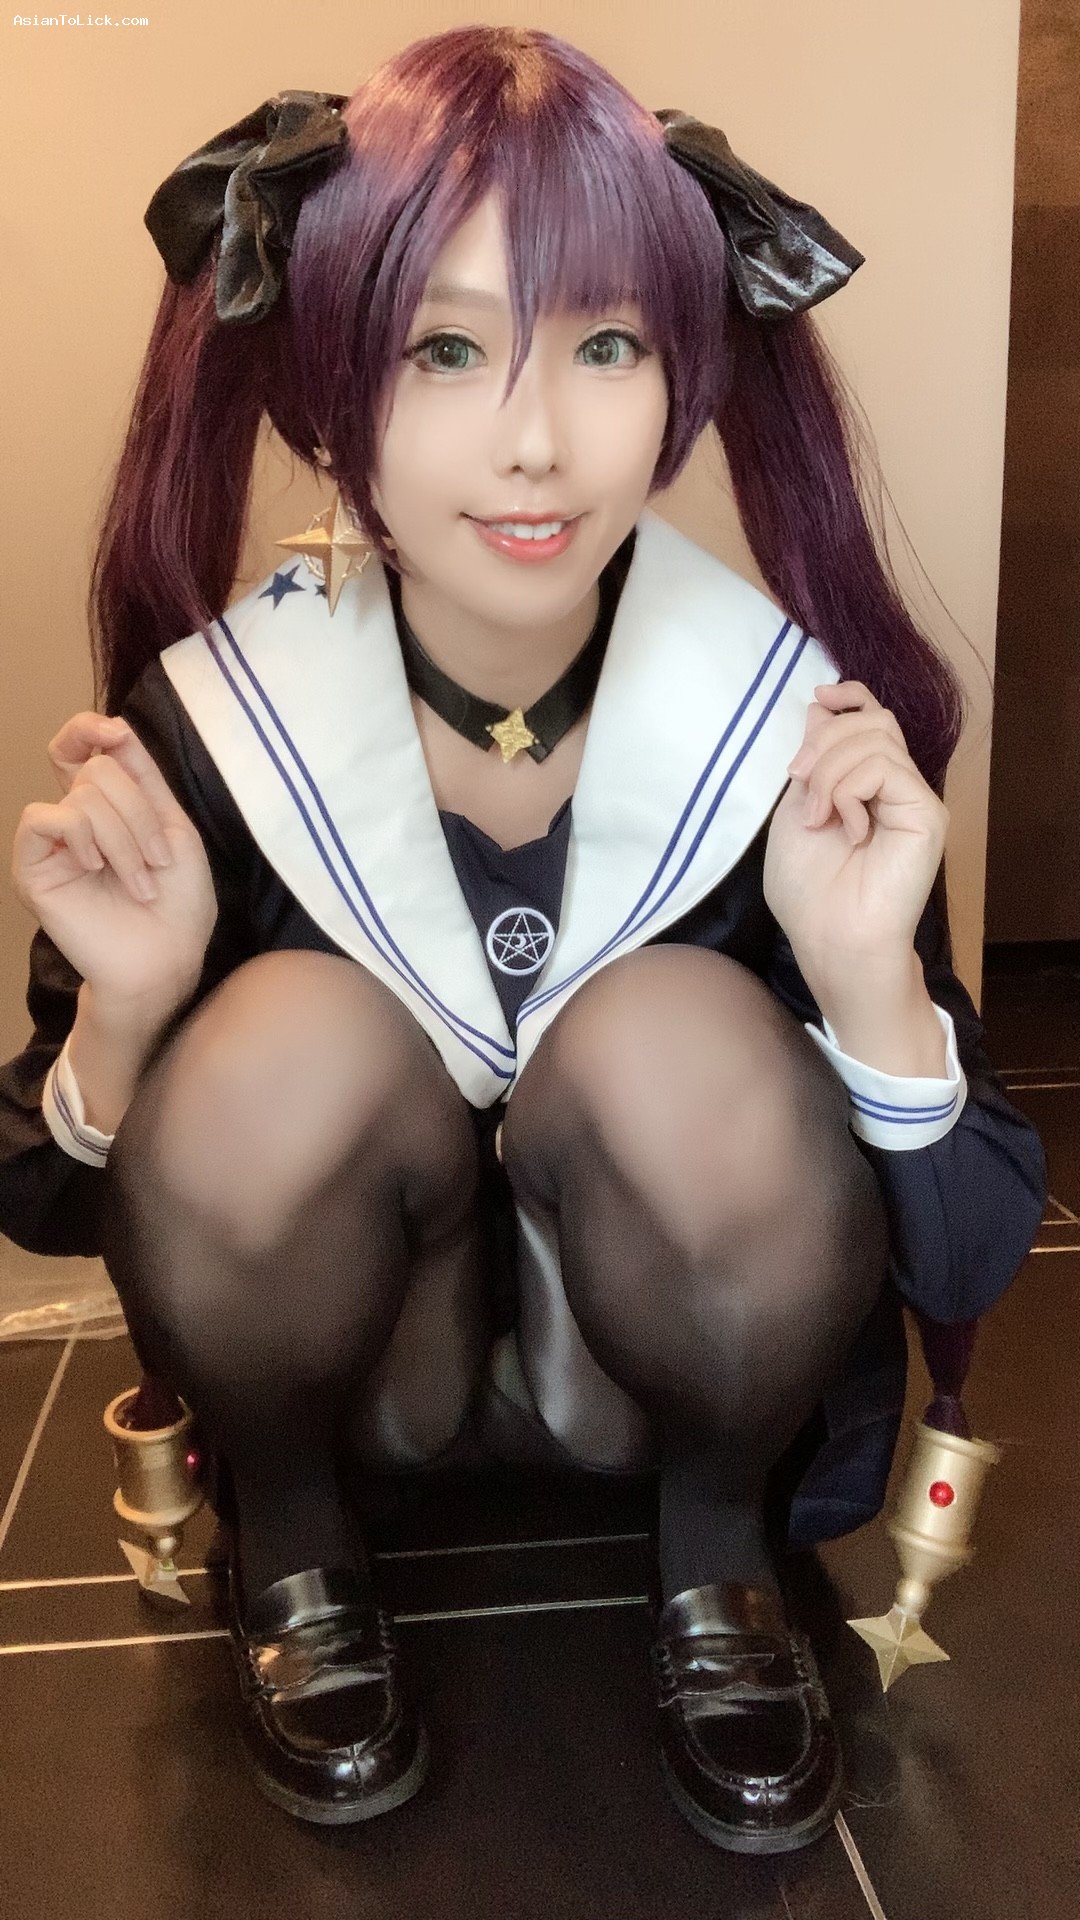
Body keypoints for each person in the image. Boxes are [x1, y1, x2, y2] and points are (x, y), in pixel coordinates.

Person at [0, 24, 1046, 1854]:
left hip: (668, 1405)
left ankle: (714, 1565)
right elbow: (46, 1198)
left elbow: (966, 1250)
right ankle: (299, 1557)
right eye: (446, 350)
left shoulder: (792, 734)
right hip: (361, 1400)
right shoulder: (218, 726)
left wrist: (871, 982)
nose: (539, 439)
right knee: (283, 1037)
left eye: (608, 345)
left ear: (687, 375)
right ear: (328, 388)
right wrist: (130, 1014)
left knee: (673, 1030)